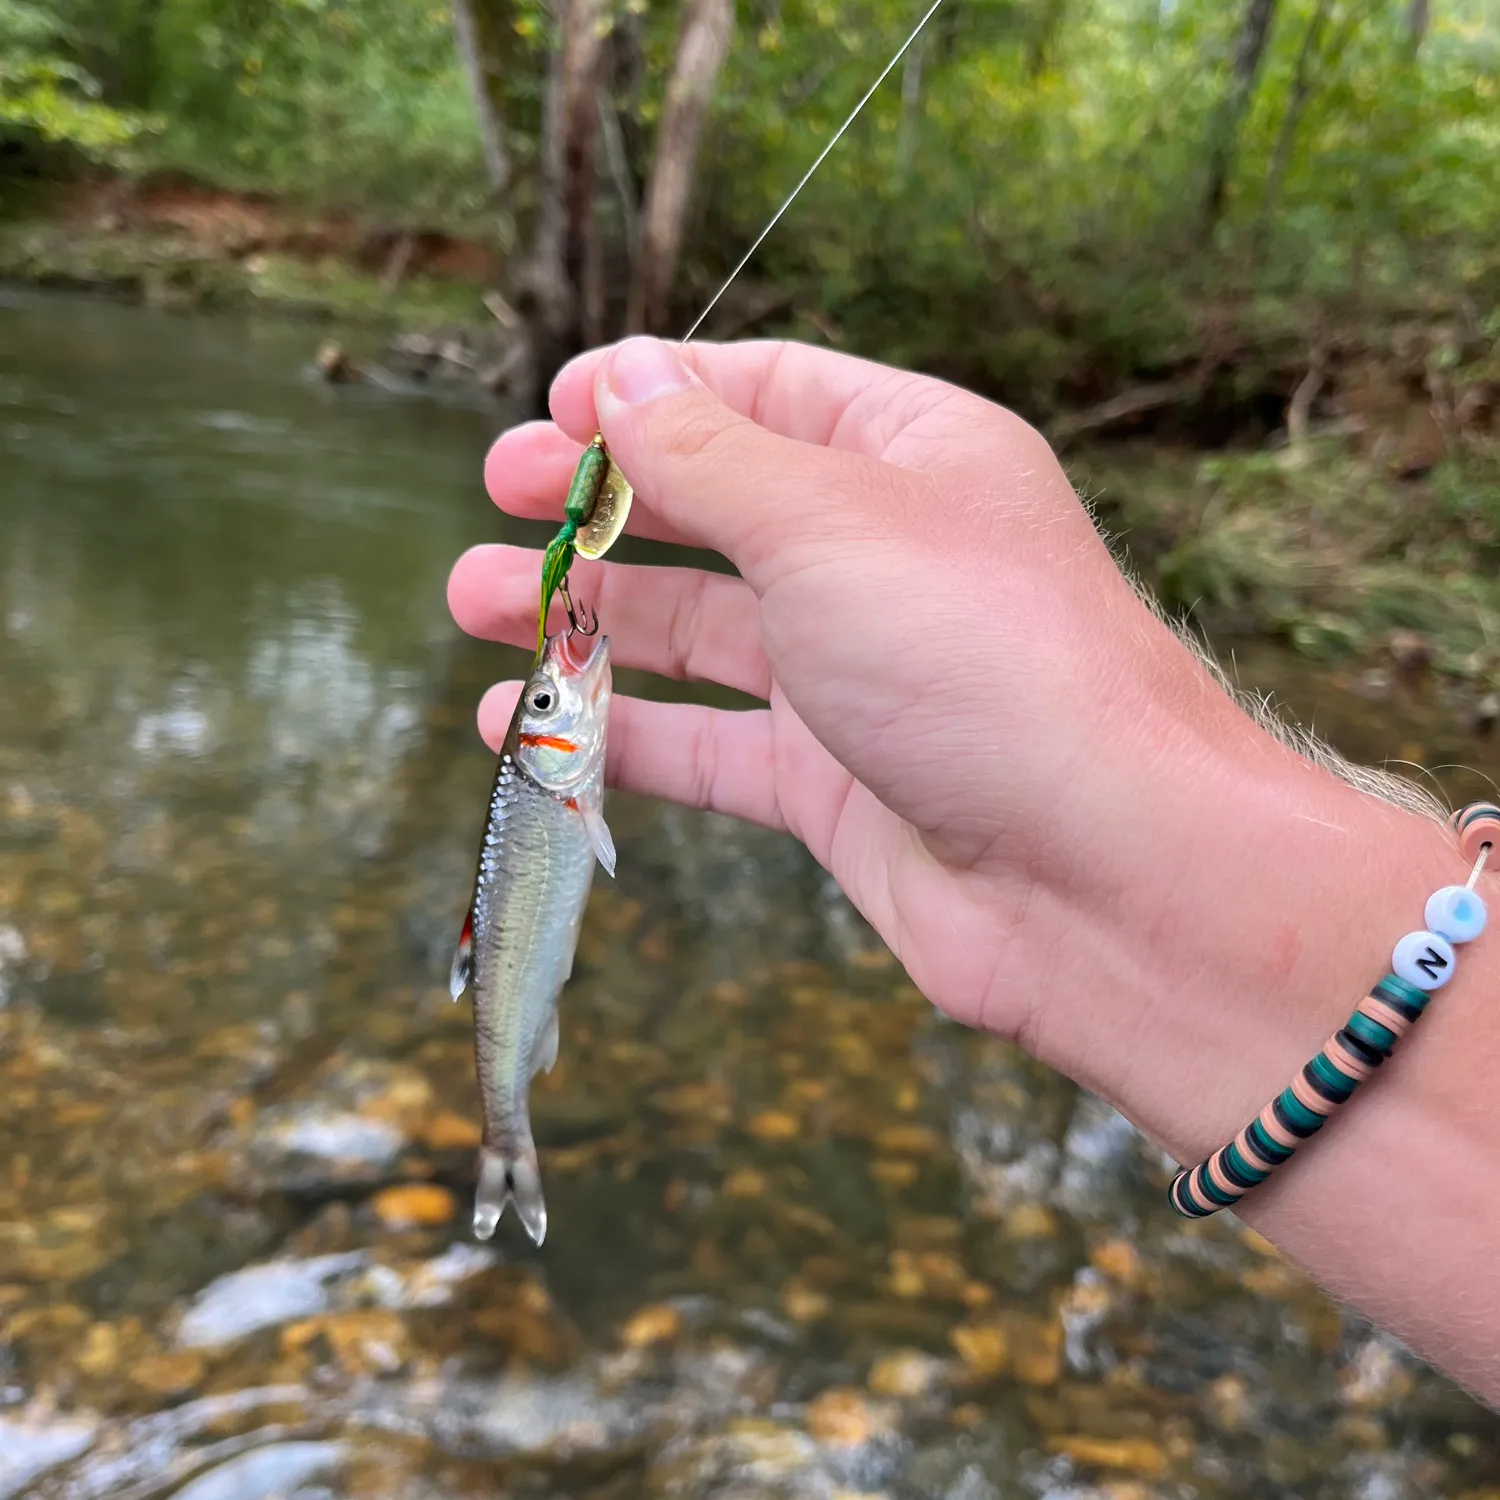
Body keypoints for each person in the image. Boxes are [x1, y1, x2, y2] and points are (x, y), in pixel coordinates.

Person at [448, 336, 1498, 1406]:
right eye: (547, 707)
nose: (558, 697)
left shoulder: (570, 742)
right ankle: (508, 1124)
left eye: (547, 707)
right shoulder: (557, 774)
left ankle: (506, 1134)